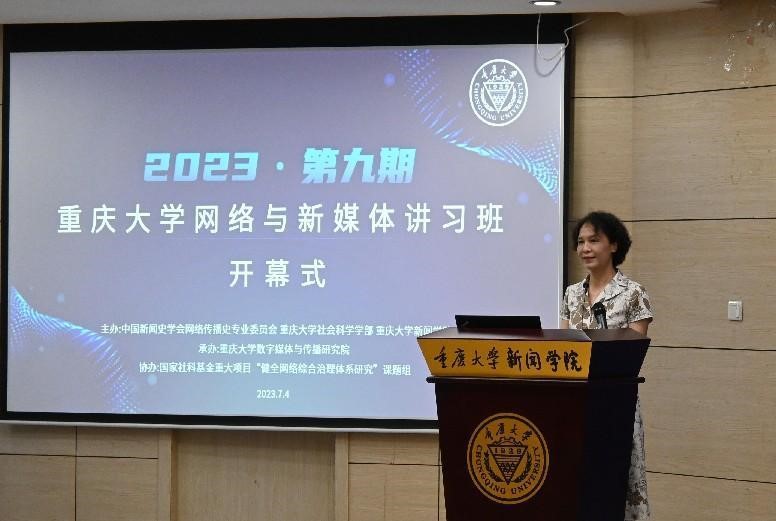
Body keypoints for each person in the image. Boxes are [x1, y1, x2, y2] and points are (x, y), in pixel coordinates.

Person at [560, 211, 653, 521]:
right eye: (581, 242)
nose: (585, 248)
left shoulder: (633, 293)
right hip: (575, 403)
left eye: (594, 240)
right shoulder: (572, 294)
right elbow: (564, 348)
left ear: (614, 245)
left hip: (616, 404)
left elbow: (632, 355)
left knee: (617, 485)